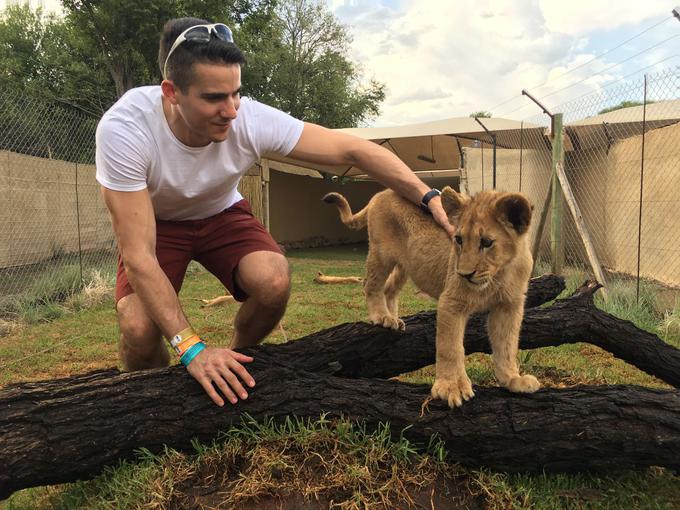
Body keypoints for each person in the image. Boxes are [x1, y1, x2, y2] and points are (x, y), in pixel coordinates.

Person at [95, 17, 455, 408]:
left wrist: (427, 195)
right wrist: (192, 348)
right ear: (172, 93)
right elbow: (138, 256)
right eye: (214, 97)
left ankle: (235, 360)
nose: (231, 110)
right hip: (158, 223)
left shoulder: (249, 118)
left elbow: (353, 151)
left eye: (236, 93)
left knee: (273, 279)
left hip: (220, 213)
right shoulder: (125, 129)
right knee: (138, 327)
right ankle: (152, 399)